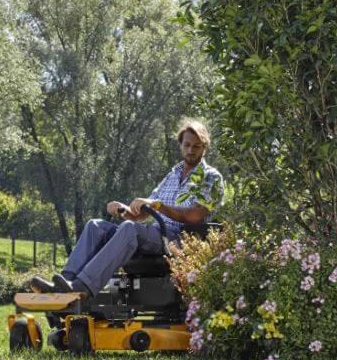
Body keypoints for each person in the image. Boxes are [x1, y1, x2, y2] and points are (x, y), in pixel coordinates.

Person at [30, 119, 223, 297]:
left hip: (178, 240)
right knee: (96, 226)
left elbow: (194, 216)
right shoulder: (173, 174)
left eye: (196, 146)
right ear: (181, 145)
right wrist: (125, 209)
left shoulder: (211, 177)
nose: (191, 150)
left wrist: (155, 205)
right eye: (187, 145)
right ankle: (66, 280)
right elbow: (141, 216)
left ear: (204, 147)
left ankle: (82, 288)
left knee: (130, 230)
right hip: (154, 233)